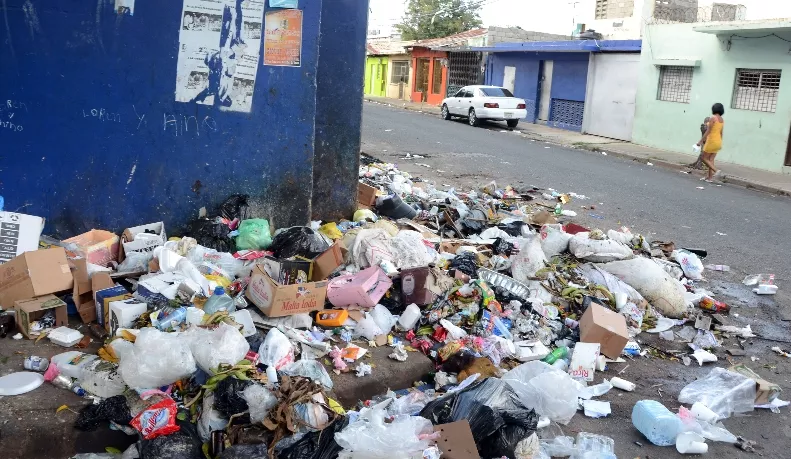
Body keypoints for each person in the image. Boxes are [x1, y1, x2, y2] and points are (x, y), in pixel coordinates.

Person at [697, 104, 724, 182]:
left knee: (703, 158)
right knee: (711, 159)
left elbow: (708, 131)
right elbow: (721, 132)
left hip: (711, 141)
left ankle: (716, 171)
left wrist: (700, 141)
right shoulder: (721, 119)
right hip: (718, 141)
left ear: (714, 109)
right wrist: (720, 142)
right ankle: (709, 178)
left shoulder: (713, 118)